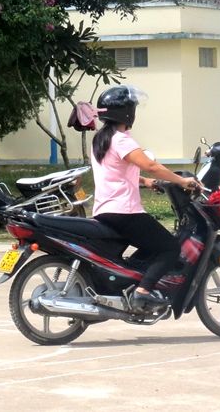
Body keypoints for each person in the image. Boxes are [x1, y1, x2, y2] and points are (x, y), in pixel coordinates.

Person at [90, 86, 200, 312]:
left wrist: (145, 182)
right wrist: (182, 181)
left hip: (104, 210)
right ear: (127, 112)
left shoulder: (101, 139)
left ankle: (129, 282)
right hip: (124, 211)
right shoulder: (121, 140)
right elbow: (151, 165)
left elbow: (115, 172)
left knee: (153, 245)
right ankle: (142, 293)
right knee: (170, 247)